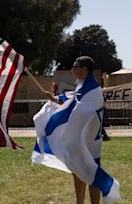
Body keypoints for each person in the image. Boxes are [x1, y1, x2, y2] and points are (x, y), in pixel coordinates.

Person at [42, 56, 108, 204]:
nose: (72, 70)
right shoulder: (85, 87)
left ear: (84, 69)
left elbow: (77, 109)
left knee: (91, 174)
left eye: (75, 67)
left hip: (88, 141)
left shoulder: (91, 90)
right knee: (80, 172)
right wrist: (53, 99)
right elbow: (73, 102)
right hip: (84, 140)